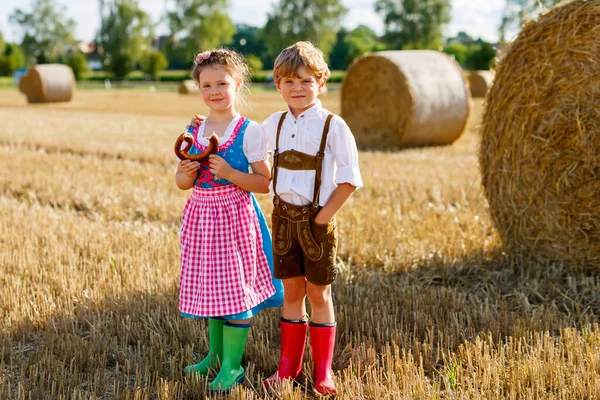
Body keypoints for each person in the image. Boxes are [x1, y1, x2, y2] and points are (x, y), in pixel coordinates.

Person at [175, 49, 283, 393]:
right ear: (199, 88)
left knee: (235, 292)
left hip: (234, 220)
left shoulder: (249, 131)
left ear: (237, 84)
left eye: (222, 83)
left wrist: (232, 173)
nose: (214, 91)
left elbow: (265, 184)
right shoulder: (195, 128)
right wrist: (184, 172)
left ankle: (233, 367)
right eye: (206, 85)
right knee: (212, 290)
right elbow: (181, 183)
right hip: (202, 219)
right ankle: (215, 355)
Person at [262, 41, 363, 396]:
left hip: (316, 221)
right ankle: (288, 366)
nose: (297, 88)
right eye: (289, 81)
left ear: (321, 83)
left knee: (318, 293)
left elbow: (350, 179)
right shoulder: (272, 123)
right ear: (278, 85)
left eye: (306, 81)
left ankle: (323, 372)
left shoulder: (333, 126)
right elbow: (248, 150)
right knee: (292, 290)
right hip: (282, 220)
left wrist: (322, 219)